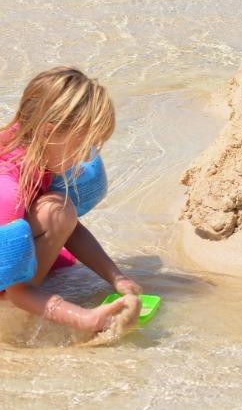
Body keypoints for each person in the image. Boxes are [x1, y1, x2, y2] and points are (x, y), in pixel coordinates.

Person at [0, 67, 142, 334]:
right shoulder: (7, 189)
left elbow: (71, 228)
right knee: (56, 210)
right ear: (47, 132)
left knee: (60, 210)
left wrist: (117, 278)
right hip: (6, 274)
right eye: (80, 145)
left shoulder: (30, 150)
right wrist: (84, 318)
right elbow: (14, 285)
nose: (84, 158)